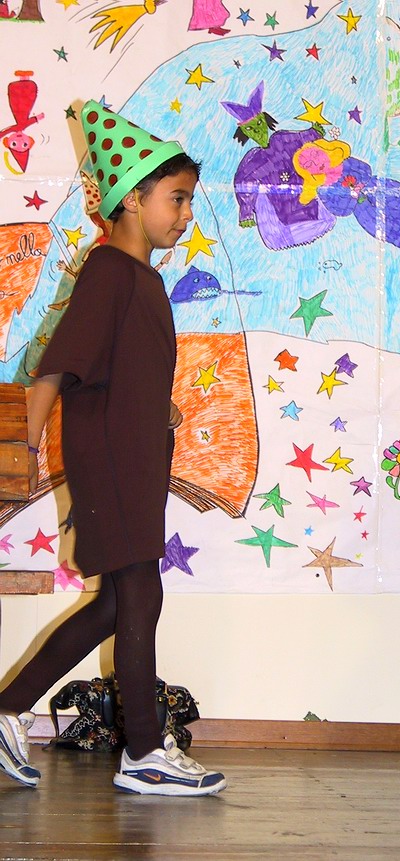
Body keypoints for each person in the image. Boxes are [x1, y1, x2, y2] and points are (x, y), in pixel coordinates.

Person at [0, 100, 226, 797]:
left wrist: (157, 404)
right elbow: (57, 366)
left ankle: (7, 709)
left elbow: (114, 367)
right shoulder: (108, 271)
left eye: (189, 200)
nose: (185, 214)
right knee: (140, 593)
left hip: (135, 462)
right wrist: (23, 447)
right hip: (113, 466)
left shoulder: (140, 278)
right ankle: (144, 750)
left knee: (115, 604)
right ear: (131, 198)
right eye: (176, 199)